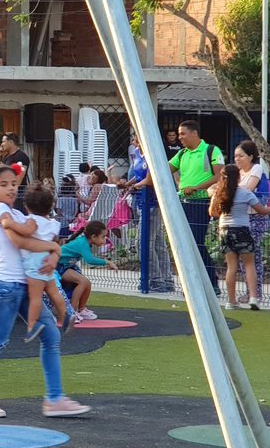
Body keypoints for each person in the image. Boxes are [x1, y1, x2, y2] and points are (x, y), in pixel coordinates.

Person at [0, 162, 91, 418]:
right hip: (6, 286)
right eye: (3, 184)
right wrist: (53, 250)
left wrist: (54, 253)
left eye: (13, 184)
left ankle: (55, 398)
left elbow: (42, 241)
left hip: (22, 285)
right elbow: (21, 241)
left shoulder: (17, 214)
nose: (10, 189)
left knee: (51, 337)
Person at [209, 164, 270, 310]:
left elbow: (212, 212)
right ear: (238, 177)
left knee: (231, 267)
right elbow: (262, 211)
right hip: (242, 230)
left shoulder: (219, 193)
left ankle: (231, 301)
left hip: (225, 231)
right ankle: (253, 297)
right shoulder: (245, 193)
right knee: (250, 265)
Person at [169, 120, 223, 294]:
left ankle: (210, 283)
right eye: (179, 134)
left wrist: (197, 188)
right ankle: (196, 284)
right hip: (183, 203)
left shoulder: (211, 150)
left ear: (194, 133)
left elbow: (219, 176)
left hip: (201, 203)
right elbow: (164, 168)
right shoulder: (182, 153)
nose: (179, 137)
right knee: (185, 244)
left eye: (183, 133)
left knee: (196, 242)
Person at [8, 186, 68, 340]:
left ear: (27, 207)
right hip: (47, 258)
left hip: (35, 261)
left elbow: (26, 232)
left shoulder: (32, 220)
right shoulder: (54, 223)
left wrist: (10, 224)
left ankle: (32, 325)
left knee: (35, 297)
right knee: (54, 292)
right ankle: (66, 316)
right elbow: (54, 241)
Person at [128, 138, 174, 293]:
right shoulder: (136, 154)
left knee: (143, 243)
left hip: (153, 203)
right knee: (158, 242)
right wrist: (128, 184)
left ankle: (155, 279)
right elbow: (139, 173)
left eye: (138, 138)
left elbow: (151, 178)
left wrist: (136, 186)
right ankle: (166, 279)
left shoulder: (152, 154)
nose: (135, 141)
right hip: (142, 201)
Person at [234, 141, 270, 303]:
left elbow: (247, 189)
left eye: (241, 156)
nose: (237, 159)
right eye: (235, 156)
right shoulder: (238, 173)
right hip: (243, 217)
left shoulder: (256, 169)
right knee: (244, 256)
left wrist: (231, 191)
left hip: (257, 218)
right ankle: (250, 292)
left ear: (250, 156)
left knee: (253, 255)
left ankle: (256, 293)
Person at [58, 220, 118, 320]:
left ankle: (81, 309)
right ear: (93, 236)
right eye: (103, 237)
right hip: (58, 266)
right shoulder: (82, 243)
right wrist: (108, 262)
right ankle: (70, 312)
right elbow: (90, 260)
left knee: (87, 283)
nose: (105, 239)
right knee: (82, 282)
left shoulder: (85, 242)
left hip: (67, 266)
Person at [0, 133, 31, 211]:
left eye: (3, 141)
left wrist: (11, 191)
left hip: (18, 195)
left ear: (11, 142)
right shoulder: (6, 157)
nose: (2, 144)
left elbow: (20, 177)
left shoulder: (21, 156)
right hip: (7, 193)